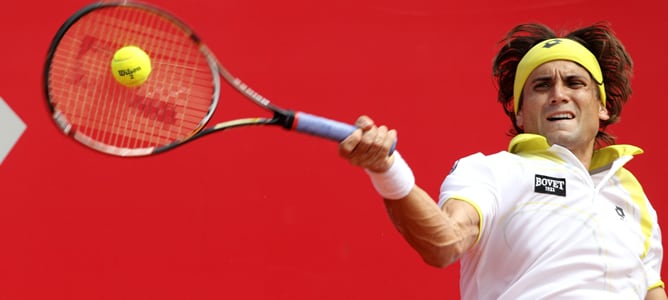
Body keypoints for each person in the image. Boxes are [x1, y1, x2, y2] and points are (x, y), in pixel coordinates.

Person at [338, 22, 666, 299]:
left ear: (603, 106)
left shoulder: (633, 197)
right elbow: (443, 243)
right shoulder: (492, 171)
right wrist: (388, 171)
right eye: (541, 85)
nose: (558, 94)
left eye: (574, 82)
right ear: (521, 113)